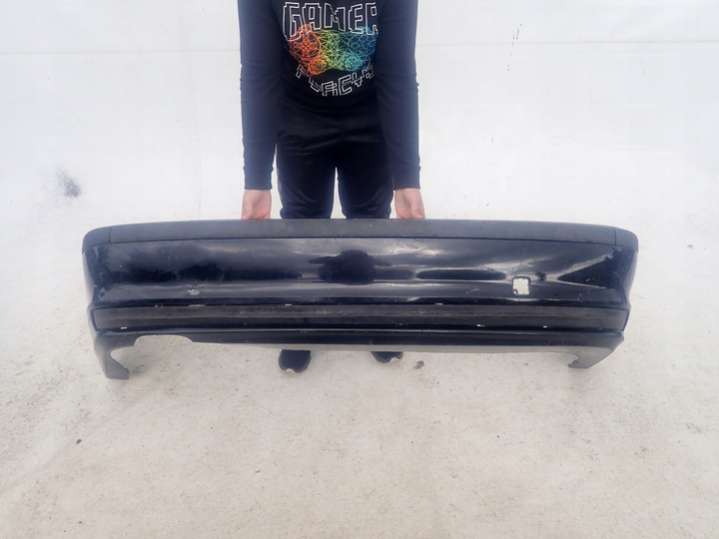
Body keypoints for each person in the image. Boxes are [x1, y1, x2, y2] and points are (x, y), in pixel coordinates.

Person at [237, 0, 424, 373]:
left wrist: (406, 177)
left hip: (370, 118)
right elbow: (259, 72)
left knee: (368, 222)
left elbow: (398, 71)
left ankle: (369, 315)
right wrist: (256, 177)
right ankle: (304, 323)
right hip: (299, 119)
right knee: (303, 223)